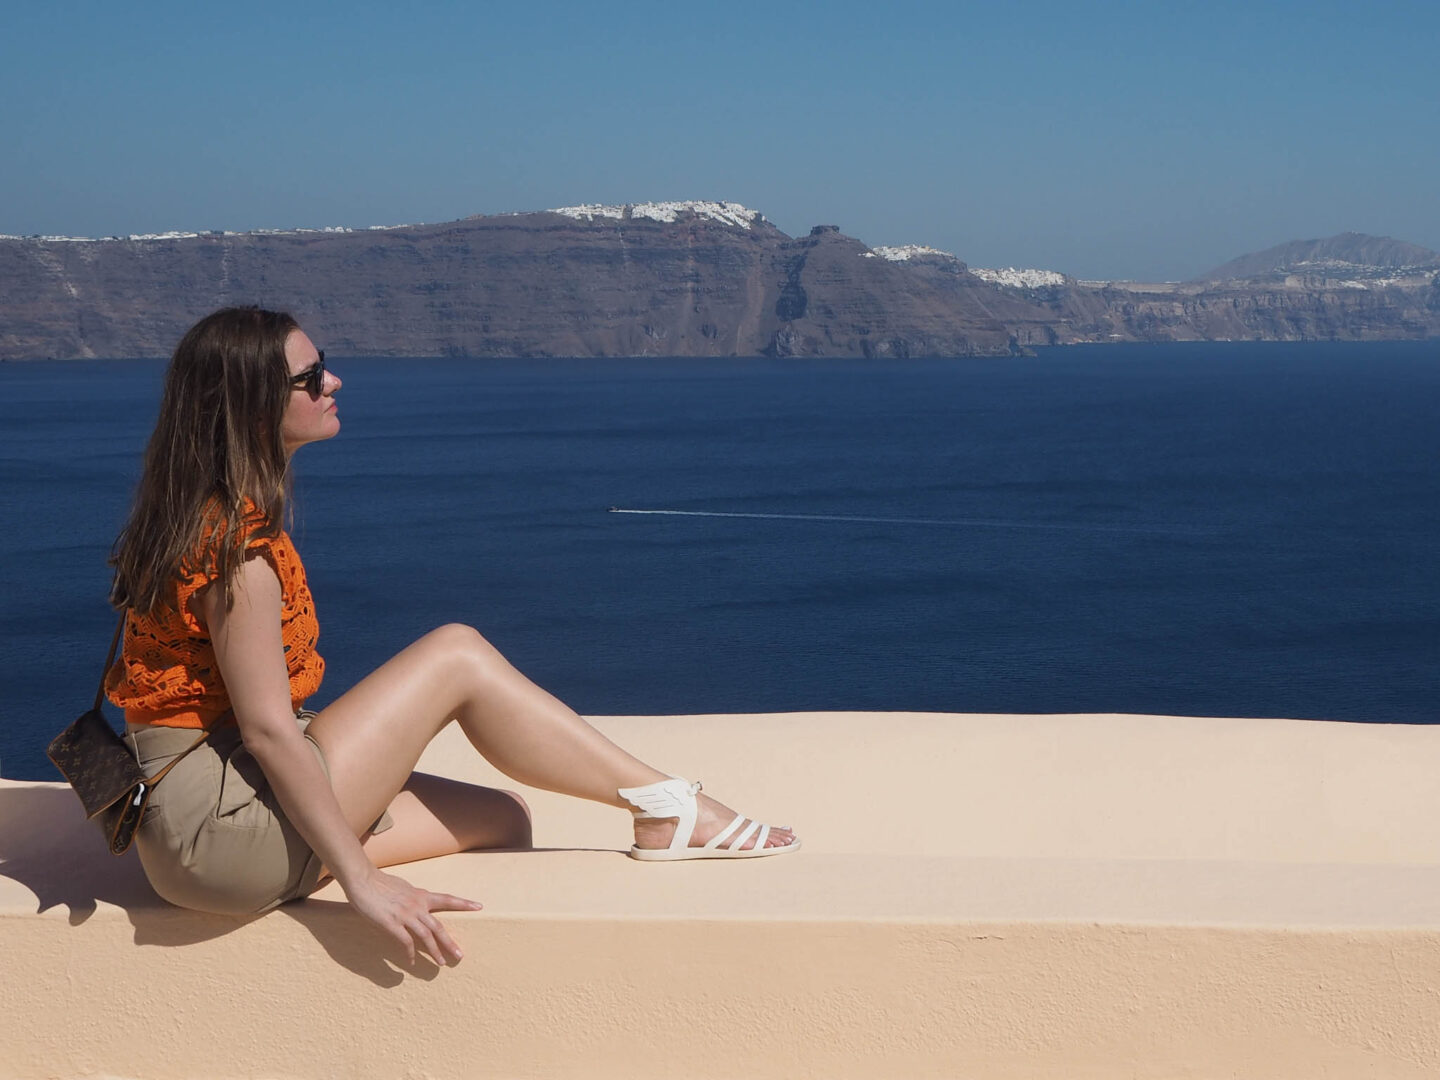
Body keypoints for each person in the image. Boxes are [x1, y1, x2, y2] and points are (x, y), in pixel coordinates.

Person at [105, 307, 798, 966]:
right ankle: (670, 806)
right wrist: (360, 881)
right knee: (456, 653)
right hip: (220, 830)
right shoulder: (238, 553)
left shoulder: (199, 510)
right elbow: (267, 732)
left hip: (202, 805)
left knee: (502, 820)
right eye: (310, 378)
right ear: (255, 404)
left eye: (326, 367)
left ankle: (661, 808)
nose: (333, 383)